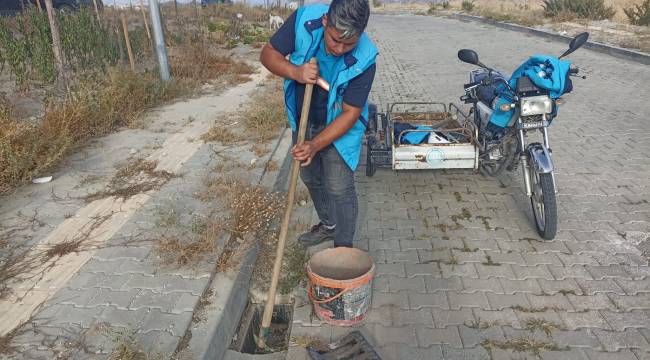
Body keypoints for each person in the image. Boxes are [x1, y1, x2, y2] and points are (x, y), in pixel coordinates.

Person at [260, 0, 378, 248]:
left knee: (339, 187)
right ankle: (328, 224)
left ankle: (343, 249)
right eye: (335, 40)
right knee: (310, 177)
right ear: (325, 21)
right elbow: (268, 54)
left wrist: (315, 145)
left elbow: (350, 113)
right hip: (303, 119)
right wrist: (296, 72)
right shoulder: (304, 20)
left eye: (349, 43)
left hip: (339, 126)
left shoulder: (366, 57)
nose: (339, 49)